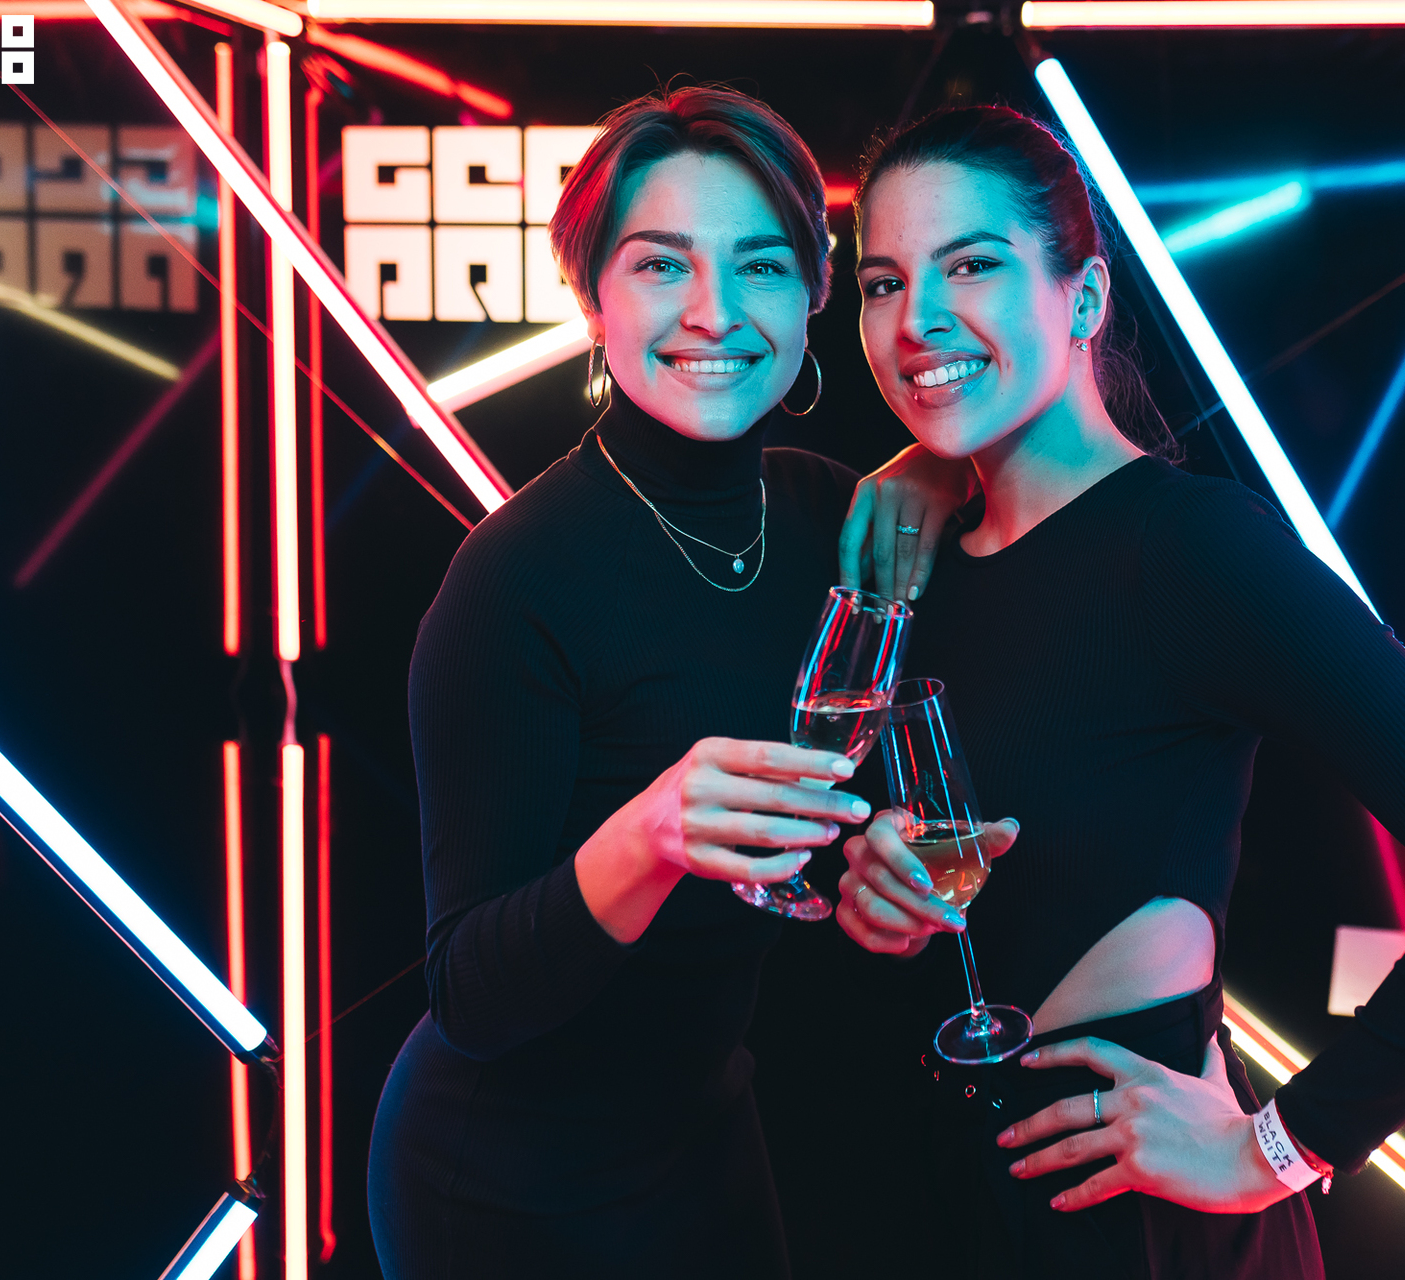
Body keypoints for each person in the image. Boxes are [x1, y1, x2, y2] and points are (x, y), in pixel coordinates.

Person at [835, 105, 1405, 1279]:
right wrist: (878, 890)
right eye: (884, 283)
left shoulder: (1194, 551)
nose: (917, 319)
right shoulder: (915, 555)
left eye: (973, 265)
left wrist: (1277, 1146)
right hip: (950, 1210)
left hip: (1139, 1231)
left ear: (1084, 299)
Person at [365, 85, 986, 1279]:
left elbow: (824, 816)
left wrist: (941, 463)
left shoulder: (831, 516)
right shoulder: (513, 578)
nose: (715, 312)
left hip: (706, 1137)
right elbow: (471, 993)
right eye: (661, 265)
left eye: (761, 266)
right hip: (503, 1183)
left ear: (814, 293)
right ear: (592, 294)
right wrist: (651, 834)